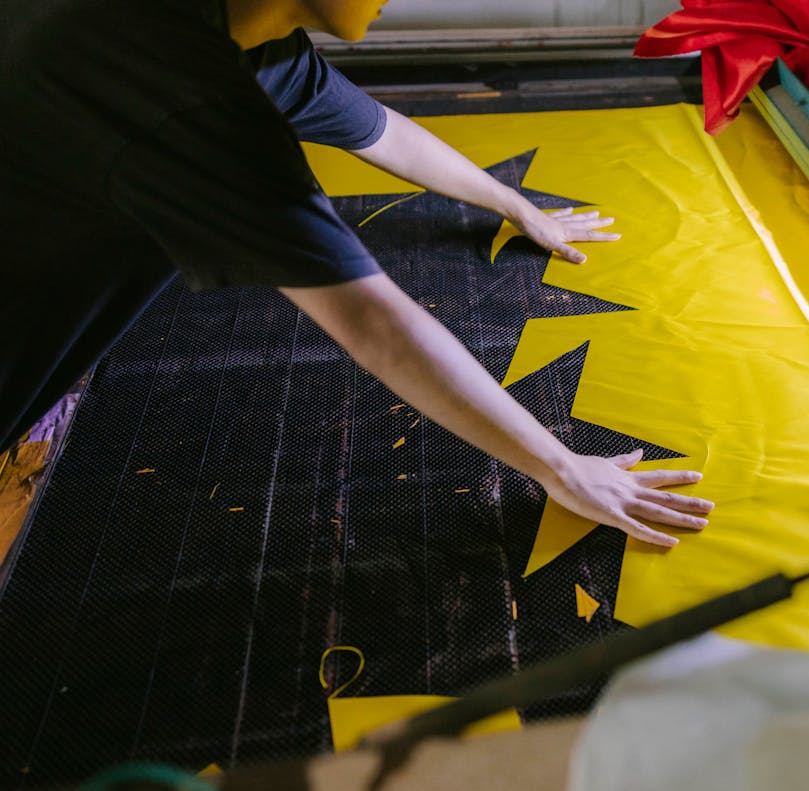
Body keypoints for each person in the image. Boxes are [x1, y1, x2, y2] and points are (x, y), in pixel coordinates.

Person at [0, 0, 713, 546]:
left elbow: (381, 130)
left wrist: (515, 205)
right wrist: (562, 467)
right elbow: (375, 322)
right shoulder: (172, 85)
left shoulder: (239, 38)